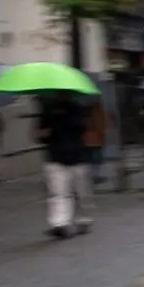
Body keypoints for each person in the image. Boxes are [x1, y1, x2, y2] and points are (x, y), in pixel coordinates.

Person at [38, 94, 93, 237]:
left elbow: (82, 128)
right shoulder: (48, 111)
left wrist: (55, 127)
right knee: (59, 193)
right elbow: (40, 135)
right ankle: (60, 223)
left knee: (79, 192)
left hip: (73, 156)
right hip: (59, 157)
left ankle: (81, 220)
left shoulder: (76, 109)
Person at [83, 100, 108, 188]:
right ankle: (95, 176)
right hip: (97, 140)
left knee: (89, 159)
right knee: (96, 160)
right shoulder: (100, 114)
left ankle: (90, 176)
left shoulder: (85, 114)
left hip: (86, 140)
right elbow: (103, 126)